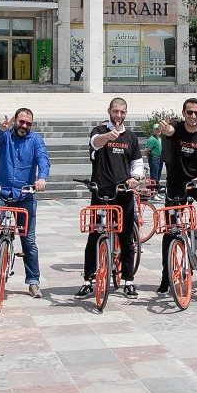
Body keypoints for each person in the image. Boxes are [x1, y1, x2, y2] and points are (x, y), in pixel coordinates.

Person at [77, 97, 143, 299]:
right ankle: (88, 279)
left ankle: (128, 280)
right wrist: (108, 137)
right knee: (94, 235)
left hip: (123, 193)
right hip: (101, 192)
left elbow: (137, 163)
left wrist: (136, 178)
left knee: (126, 237)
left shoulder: (130, 137)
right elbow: (95, 144)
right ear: (109, 111)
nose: (119, 115)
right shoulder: (99, 132)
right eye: (116, 111)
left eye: (123, 112)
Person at [0, 107, 49, 298]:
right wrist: (1, 128)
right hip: (0, 191)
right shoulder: (6, 137)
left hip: (24, 195)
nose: (24, 126)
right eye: (21, 122)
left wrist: (41, 178)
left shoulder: (35, 140)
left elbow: (43, 159)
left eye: (28, 123)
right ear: (14, 121)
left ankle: (33, 281)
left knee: (28, 240)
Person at [155, 98, 197, 292]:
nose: (193, 116)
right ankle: (166, 274)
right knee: (171, 229)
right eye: (189, 112)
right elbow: (169, 131)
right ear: (183, 113)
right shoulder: (176, 127)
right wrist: (165, 129)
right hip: (176, 184)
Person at [145, 124, 163, 191]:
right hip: (154, 159)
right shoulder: (152, 139)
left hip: (159, 159)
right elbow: (147, 150)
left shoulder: (159, 138)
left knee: (158, 176)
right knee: (154, 176)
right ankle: (153, 193)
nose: (158, 130)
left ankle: (156, 191)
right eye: (156, 129)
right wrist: (149, 158)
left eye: (159, 129)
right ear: (153, 130)